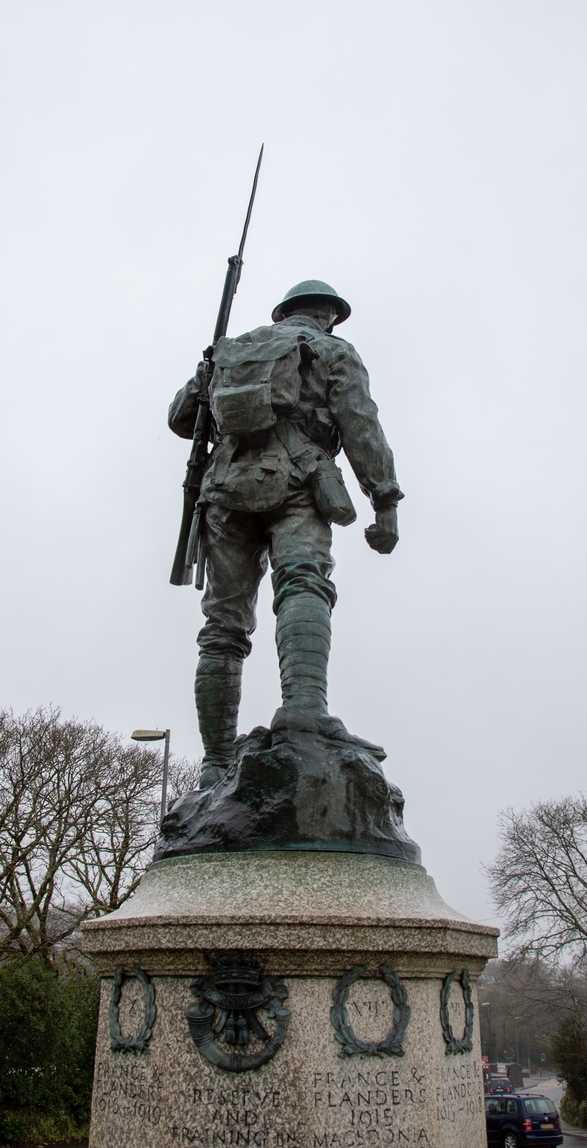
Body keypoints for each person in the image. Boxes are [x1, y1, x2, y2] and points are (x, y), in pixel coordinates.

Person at [169, 280, 403, 788]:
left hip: (224, 492)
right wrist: (383, 499)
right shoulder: (333, 350)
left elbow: (181, 418)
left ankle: (214, 762)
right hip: (297, 480)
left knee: (222, 628)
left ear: (283, 314)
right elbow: (360, 424)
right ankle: (303, 713)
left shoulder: (231, 352)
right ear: (327, 316)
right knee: (302, 583)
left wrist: (211, 374)